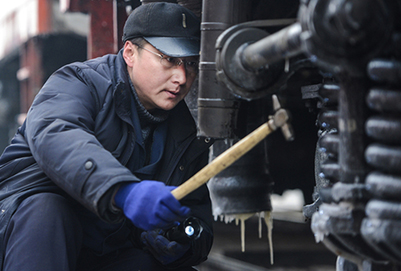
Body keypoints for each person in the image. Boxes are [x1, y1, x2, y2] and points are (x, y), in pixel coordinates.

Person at [0, 2, 214, 270]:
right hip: (29, 235)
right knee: (47, 211)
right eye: (169, 60)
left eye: (191, 64)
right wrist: (124, 191)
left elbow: (198, 216)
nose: (182, 77)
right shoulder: (79, 82)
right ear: (129, 53)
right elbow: (57, 133)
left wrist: (183, 241)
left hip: (102, 251)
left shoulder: (184, 133)